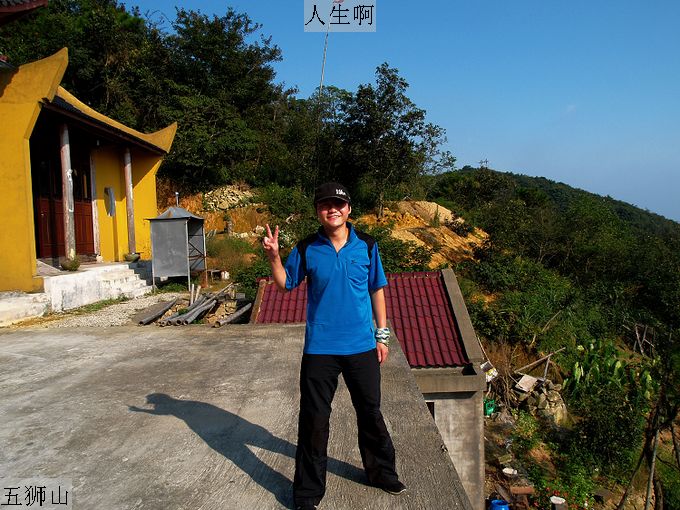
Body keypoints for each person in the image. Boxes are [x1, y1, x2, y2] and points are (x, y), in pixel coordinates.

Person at [262, 182, 406, 510]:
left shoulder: (367, 245)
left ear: (348, 209)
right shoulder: (307, 247)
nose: (333, 209)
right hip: (320, 348)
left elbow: (377, 289)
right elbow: (285, 284)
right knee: (314, 419)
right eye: (325, 205)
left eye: (338, 204)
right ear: (318, 211)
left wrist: (382, 335)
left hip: (361, 346)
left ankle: (382, 473)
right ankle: (308, 492)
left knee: (370, 412)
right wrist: (273, 257)